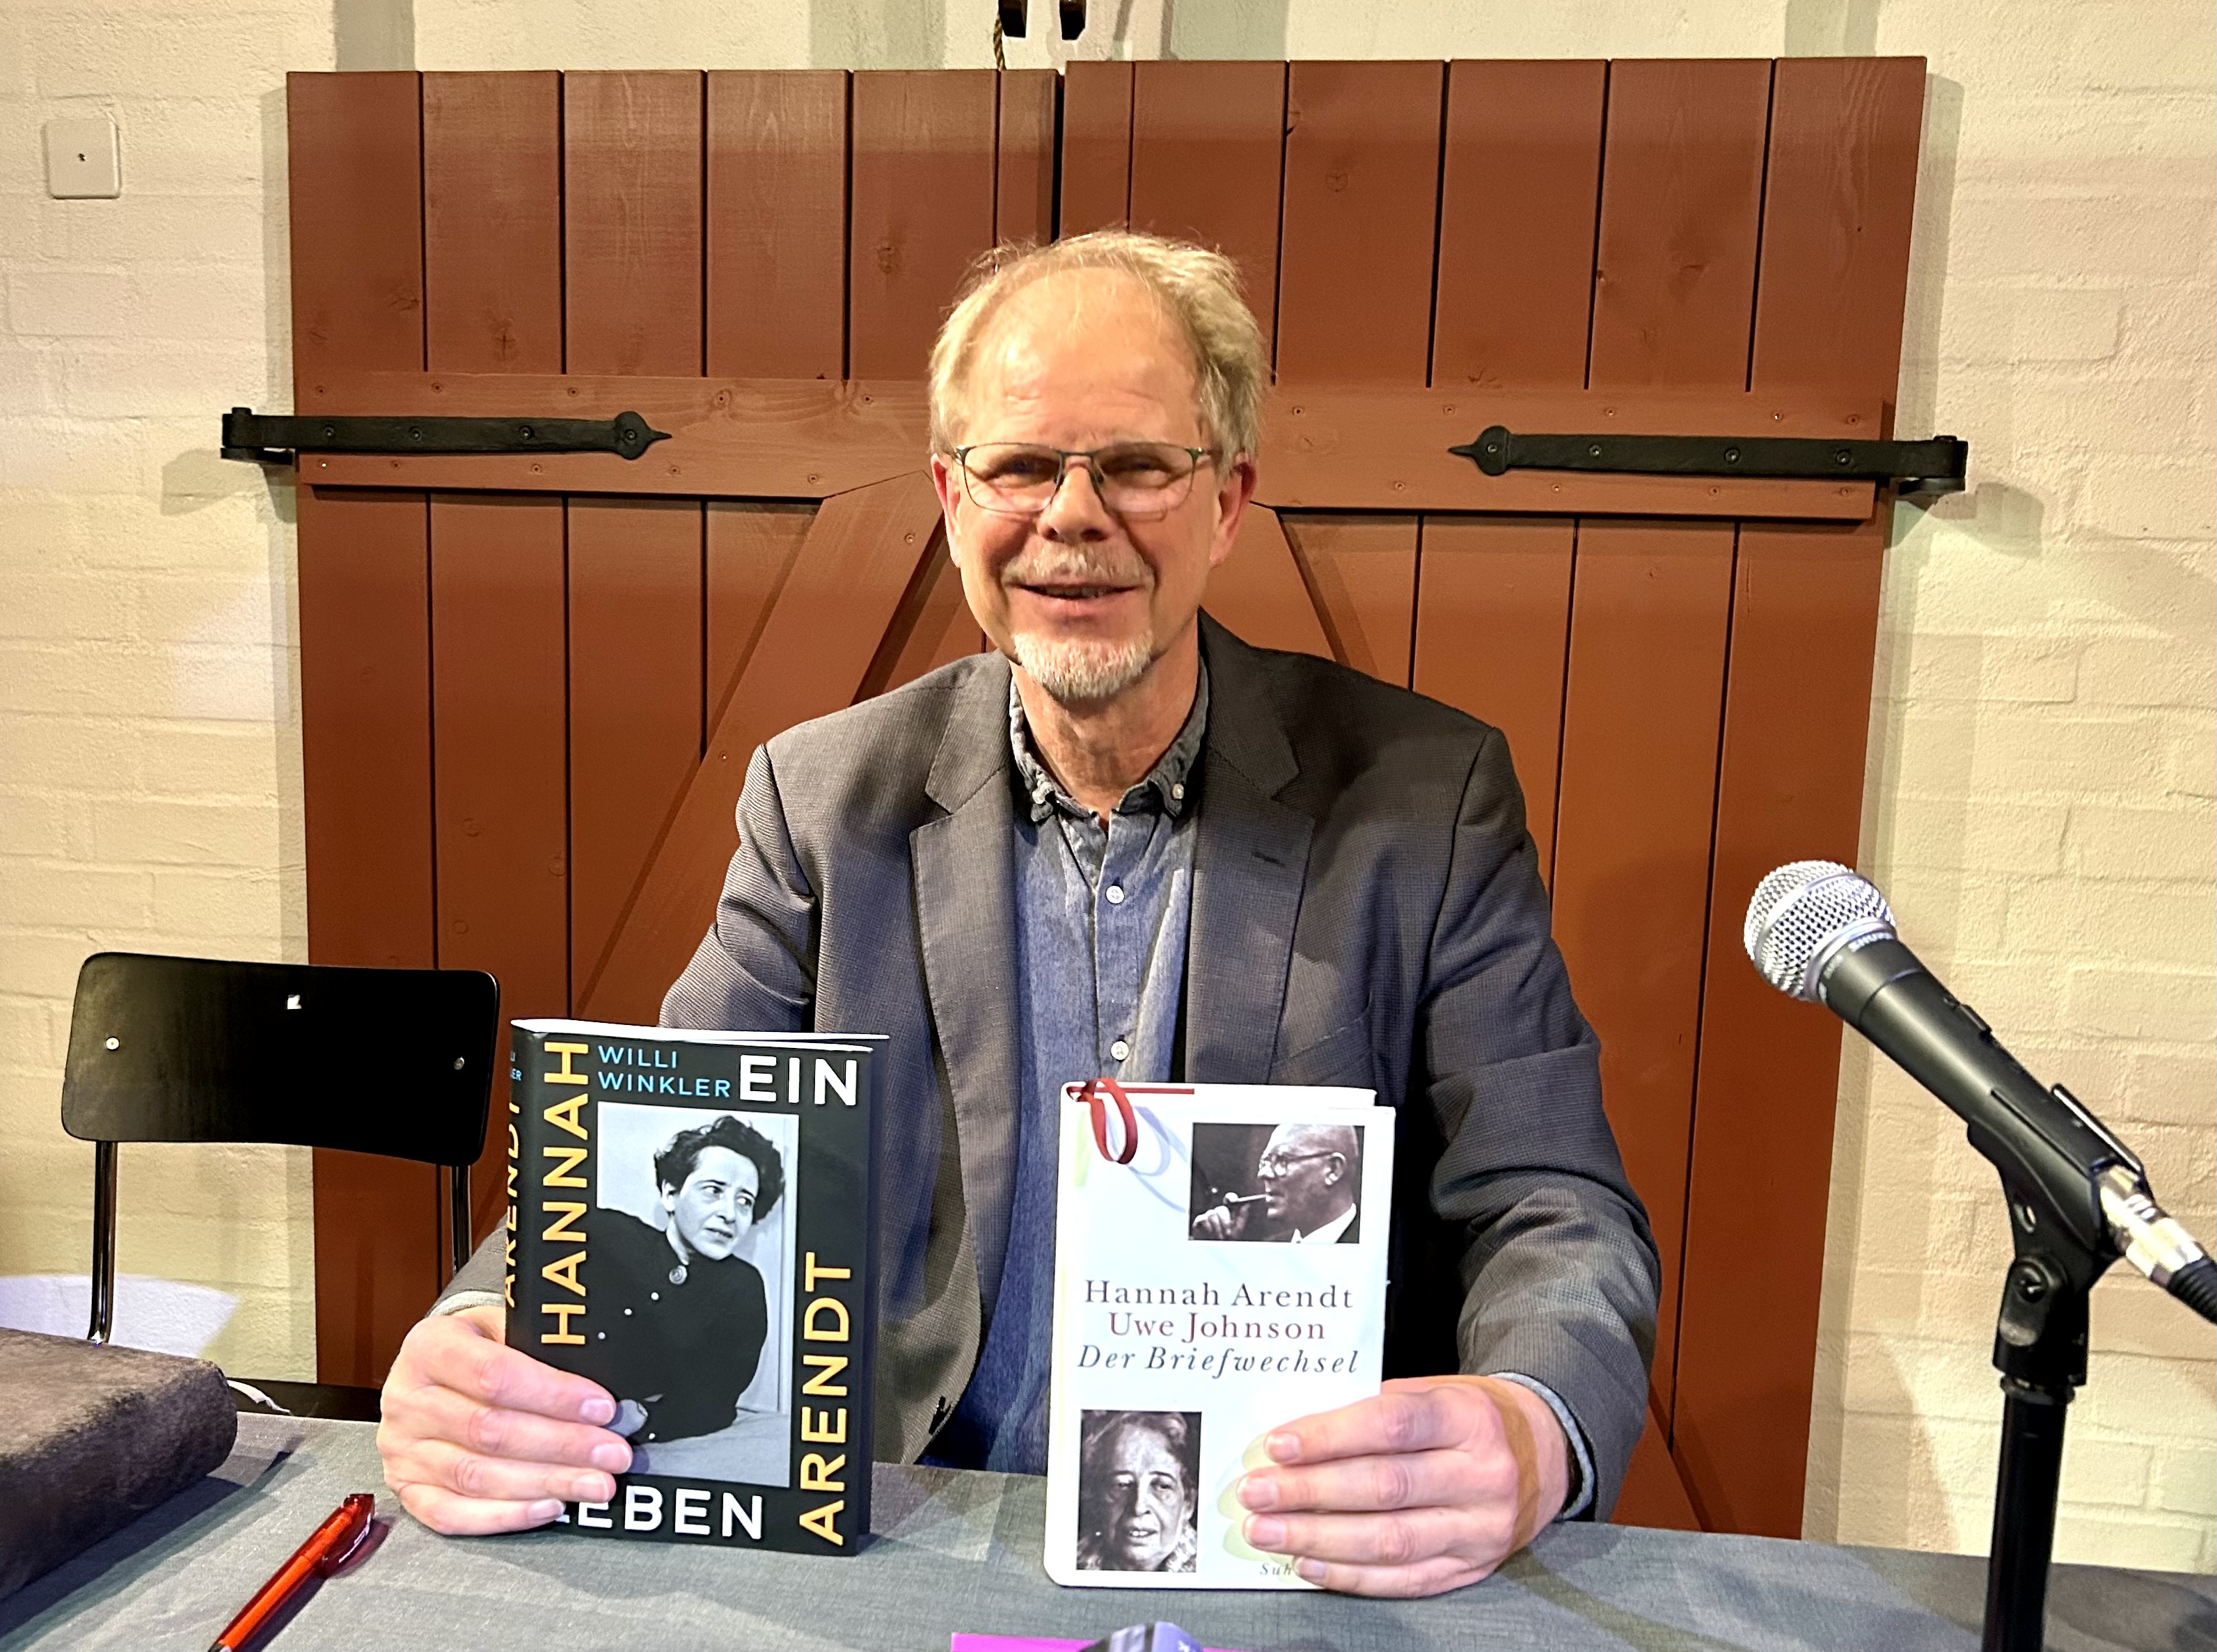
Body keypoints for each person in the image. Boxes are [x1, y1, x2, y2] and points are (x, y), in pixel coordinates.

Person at [376, 230, 1661, 1598]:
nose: (1072, 515)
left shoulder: (1423, 798)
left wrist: (1531, 1422)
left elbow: (1551, 1198)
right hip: (905, 1527)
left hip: (1269, 1536)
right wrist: (484, 1331)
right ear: (951, 495)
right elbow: (645, 1145)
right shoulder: (821, 801)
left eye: (1137, 465)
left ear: (1226, 499)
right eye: (1021, 465)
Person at [578, 1116, 781, 1452]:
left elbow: (715, 1401)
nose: (730, 1214)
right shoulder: (605, 1235)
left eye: (744, 1201)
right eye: (713, 1191)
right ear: (671, 1194)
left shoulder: (742, 1288)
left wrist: (641, 1418)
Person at [1190, 1122, 1362, 1244]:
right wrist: (1217, 1251)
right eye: (1264, 1163)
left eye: (1282, 1161)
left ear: (1333, 1169)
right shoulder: (1270, 1249)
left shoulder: (1372, 1244)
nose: (1262, 1174)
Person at [1075, 1411, 1201, 1573]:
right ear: (1097, 1495)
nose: (1138, 1507)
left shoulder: (1212, 1568)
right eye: (1122, 1484)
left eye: (1161, 1486)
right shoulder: (1074, 1560)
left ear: (1188, 1503)